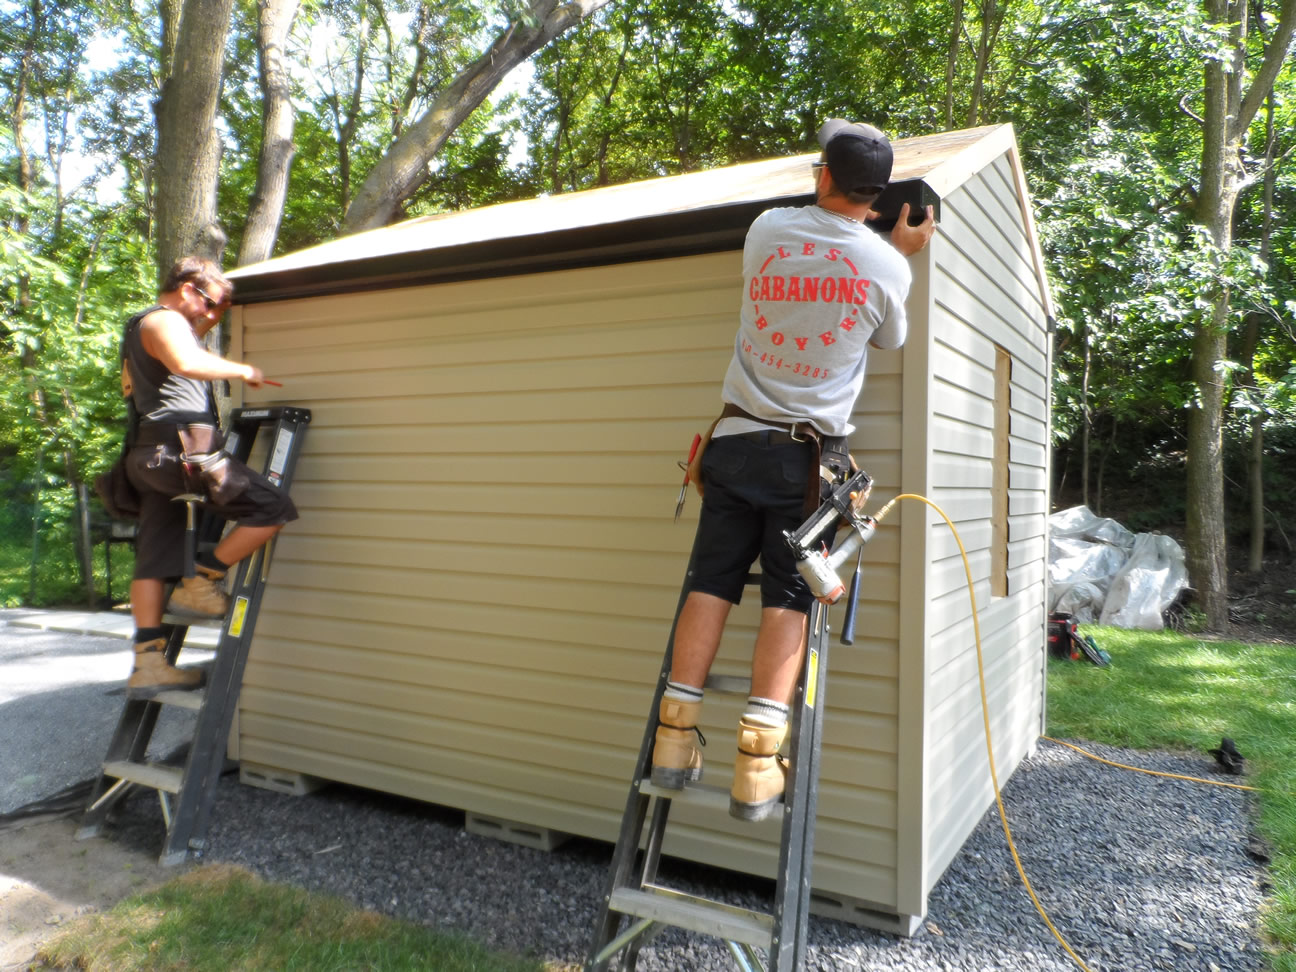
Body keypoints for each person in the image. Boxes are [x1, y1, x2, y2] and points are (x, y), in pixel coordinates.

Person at [651, 120, 936, 821]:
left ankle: (672, 741)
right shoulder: (888, 264)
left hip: (736, 442)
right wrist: (898, 250)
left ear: (823, 176)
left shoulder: (767, 231)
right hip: (808, 464)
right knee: (788, 597)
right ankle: (757, 764)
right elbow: (890, 338)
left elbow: (802, 249)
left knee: (710, 581)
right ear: (880, 195)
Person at [120, 256, 298, 699]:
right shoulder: (165, 320)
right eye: (212, 304)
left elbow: (130, 389)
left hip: (150, 455)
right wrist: (242, 370)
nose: (213, 316)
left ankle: (148, 665)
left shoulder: (134, 330)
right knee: (272, 507)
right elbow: (185, 362)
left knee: (153, 558)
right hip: (183, 450)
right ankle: (202, 581)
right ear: (186, 290)